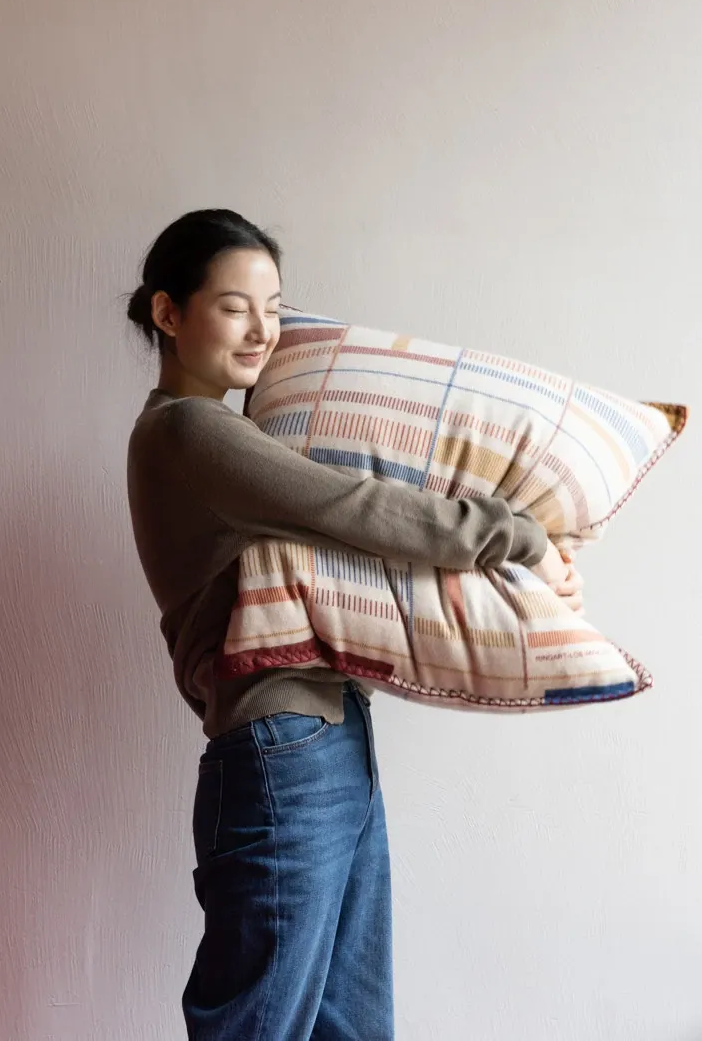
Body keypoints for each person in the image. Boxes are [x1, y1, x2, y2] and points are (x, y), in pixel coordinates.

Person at [125, 209, 584, 1041]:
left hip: (322, 737)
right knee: (258, 1024)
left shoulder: (220, 431)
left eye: (272, 307)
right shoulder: (188, 431)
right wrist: (519, 536)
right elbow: (354, 505)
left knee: (352, 1026)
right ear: (168, 312)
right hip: (281, 749)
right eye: (233, 307)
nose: (262, 330)